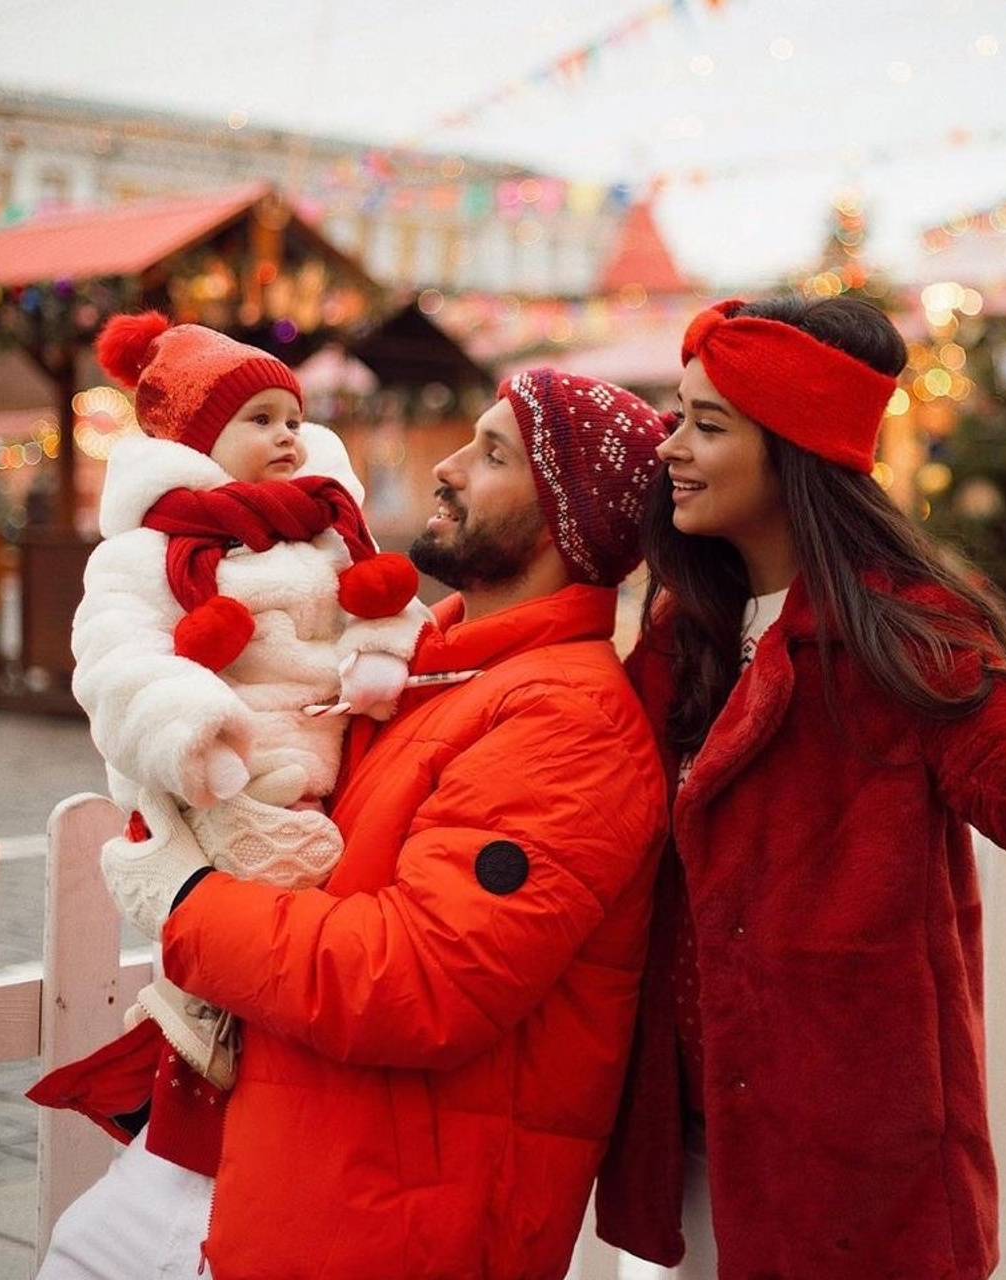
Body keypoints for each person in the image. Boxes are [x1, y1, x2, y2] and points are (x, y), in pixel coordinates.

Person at [594, 294, 1006, 1280]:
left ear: (793, 448)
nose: (670, 448)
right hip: (696, 1138)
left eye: (708, 425)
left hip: (850, 1167)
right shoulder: (681, 627)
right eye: (676, 417)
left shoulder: (902, 629)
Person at [38, 367, 670, 1280]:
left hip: (368, 1215)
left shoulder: (568, 724)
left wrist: (188, 901)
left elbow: (416, 981)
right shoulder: (425, 669)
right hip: (256, 1156)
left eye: (493, 455)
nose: (447, 467)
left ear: (563, 521)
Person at [62, 312, 428, 1113]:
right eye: (259, 420)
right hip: (222, 770)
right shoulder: (146, 552)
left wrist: (378, 651)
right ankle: (194, 1032)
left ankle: (261, 1060)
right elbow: (116, 657)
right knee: (247, 921)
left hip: (332, 756)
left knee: (315, 932)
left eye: (293, 419)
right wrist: (194, 731)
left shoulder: (327, 526)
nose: (288, 435)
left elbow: (384, 599)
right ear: (197, 442)